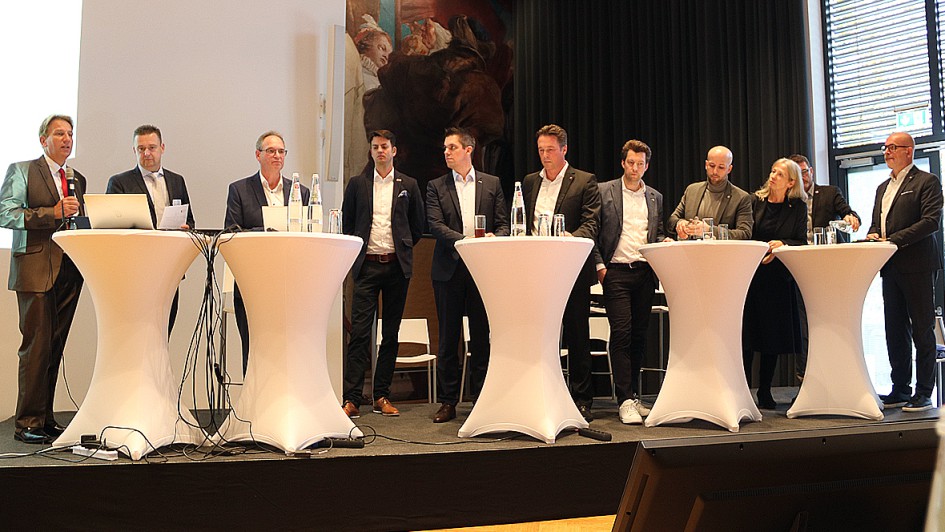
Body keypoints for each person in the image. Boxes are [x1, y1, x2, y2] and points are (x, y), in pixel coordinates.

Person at [0, 115, 86, 444]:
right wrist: (53, 213)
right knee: (35, 348)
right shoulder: (22, 170)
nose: (67, 139)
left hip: (69, 271)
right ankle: (27, 423)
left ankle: (46, 419)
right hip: (34, 269)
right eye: (59, 133)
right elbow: (6, 213)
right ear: (43, 140)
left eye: (70, 134)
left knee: (53, 347)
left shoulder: (77, 178)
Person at [426, 127, 509, 423]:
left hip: (481, 270)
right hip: (448, 269)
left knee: (481, 337)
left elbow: (503, 224)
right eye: (445, 148)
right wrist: (466, 242)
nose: (446, 152)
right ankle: (448, 401)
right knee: (449, 339)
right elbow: (435, 225)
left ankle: (481, 398)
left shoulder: (492, 183)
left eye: (452, 147)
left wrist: (494, 238)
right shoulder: (436, 186)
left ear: (468, 150)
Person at [341, 130, 425, 418]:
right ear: (371, 151)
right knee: (360, 334)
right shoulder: (357, 184)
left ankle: (382, 395)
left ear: (394, 150)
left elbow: (417, 226)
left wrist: (402, 247)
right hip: (366, 267)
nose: (380, 151)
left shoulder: (408, 185)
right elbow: (348, 223)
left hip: (396, 267)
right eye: (375, 146)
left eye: (384, 146)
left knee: (390, 334)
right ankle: (352, 398)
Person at [522, 124, 600, 421]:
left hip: (571, 269)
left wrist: (570, 238)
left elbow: (591, 224)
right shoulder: (530, 182)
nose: (545, 156)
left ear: (564, 149)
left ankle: (582, 400)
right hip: (538, 269)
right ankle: (542, 394)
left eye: (551, 150)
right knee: (540, 335)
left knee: (577, 335)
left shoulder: (584, 181)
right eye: (541, 150)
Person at [868, 132, 944, 412]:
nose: (887, 152)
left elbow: (931, 221)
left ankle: (924, 392)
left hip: (918, 265)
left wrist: (892, 240)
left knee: (922, 330)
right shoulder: (882, 187)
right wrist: (873, 236)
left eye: (892, 147)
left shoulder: (927, 181)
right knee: (894, 330)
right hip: (890, 265)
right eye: (885, 147)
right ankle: (900, 388)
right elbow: (877, 223)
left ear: (909, 151)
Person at [592, 139, 666, 424]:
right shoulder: (604, 191)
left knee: (638, 336)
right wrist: (600, 267)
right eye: (631, 162)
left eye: (640, 164)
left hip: (645, 273)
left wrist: (665, 242)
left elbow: (657, 232)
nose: (635, 168)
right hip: (616, 272)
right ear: (623, 163)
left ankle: (633, 396)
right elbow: (593, 231)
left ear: (647, 166)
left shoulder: (655, 197)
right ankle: (623, 400)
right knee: (621, 333)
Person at [224, 131, 310, 375]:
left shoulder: (300, 192)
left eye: (281, 151)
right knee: (253, 348)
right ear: (258, 154)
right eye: (271, 151)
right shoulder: (239, 190)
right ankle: (253, 398)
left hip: (287, 282)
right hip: (251, 280)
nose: (277, 156)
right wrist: (266, 231)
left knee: (286, 349)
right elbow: (231, 232)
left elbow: (306, 233)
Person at [107, 124, 195, 336]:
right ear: (134, 150)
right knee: (137, 330)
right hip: (136, 268)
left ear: (162, 148)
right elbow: (110, 227)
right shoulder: (120, 182)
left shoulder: (177, 181)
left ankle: (160, 360)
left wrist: (186, 228)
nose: (147, 153)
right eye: (141, 148)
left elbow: (190, 220)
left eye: (152, 147)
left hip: (170, 265)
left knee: (165, 328)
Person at [787, 154, 860, 382]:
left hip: (827, 268)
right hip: (798, 268)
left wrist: (851, 217)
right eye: (797, 174)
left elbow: (847, 211)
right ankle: (805, 379)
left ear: (811, 171)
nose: (803, 177)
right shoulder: (789, 200)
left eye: (805, 172)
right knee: (802, 326)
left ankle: (836, 377)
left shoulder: (829, 193)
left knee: (829, 323)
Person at [742, 158, 808, 409]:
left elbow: (801, 241)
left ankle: (765, 390)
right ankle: (743, 389)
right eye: (772, 172)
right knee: (748, 336)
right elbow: (746, 234)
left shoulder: (797, 207)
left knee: (772, 338)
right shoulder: (754, 201)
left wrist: (783, 244)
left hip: (779, 278)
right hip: (752, 275)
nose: (772, 176)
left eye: (779, 174)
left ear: (791, 182)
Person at [667, 146, 753, 240]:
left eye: (721, 167)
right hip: (692, 248)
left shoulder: (741, 197)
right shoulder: (692, 190)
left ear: (729, 169)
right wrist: (680, 224)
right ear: (706, 164)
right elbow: (672, 220)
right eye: (712, 165)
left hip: (722, 249)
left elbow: (745, 233)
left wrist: (709, 230)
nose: (715, 171)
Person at [354, 14, 392, 91]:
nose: (386, 56)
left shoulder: (379, 79)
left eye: (389, 54)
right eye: (382, 48)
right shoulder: (359, 71)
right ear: (366, 43)